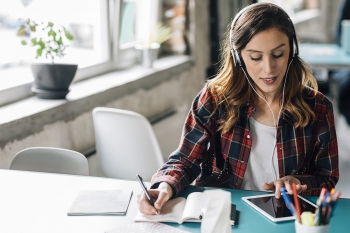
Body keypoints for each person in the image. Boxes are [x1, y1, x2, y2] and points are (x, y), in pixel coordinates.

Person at [138, 2, 339, 215]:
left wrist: (298, 181)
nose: (269, 68)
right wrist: (164, 186)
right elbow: (185, 159)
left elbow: (327, 179)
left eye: (278, 54)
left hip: (286, 220)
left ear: (292, 50)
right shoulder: (214, 99)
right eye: (255, 57)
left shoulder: (318, 108)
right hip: (222, 217)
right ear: (238, 57)